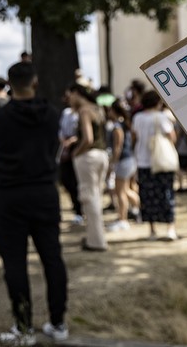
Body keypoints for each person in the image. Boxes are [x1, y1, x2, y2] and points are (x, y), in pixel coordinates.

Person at [0, 61, 68, 345]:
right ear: (35, 82)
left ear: (9, 84)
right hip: (44, 192)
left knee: (15, 262)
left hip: (10, 194)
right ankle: (58, 322)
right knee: (52, 258)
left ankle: (24, 327)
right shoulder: (51, 114)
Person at [68, 83, 109, 251]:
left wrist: (75, 152)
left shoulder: (84, 111)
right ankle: (96, 237)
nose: (68, 99)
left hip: (89, 156)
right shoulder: (98, 109)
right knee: (96, 197)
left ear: (76, 93)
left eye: (69, 95)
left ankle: (96, 241)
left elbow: (88, 138)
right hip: (102, 155)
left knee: (89, 198)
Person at [132, 91, 178, 240]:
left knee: (147, 196)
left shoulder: (137, 118)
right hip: (161, 161)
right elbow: (172, 136)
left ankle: (152, 230)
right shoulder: (162, 117)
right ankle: (170, 228)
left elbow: (134, 136)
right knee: (166, 193)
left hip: (143, 161)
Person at [106, 99, 140, 231]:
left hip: (123, 161)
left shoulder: (117, 127)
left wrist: (113, 164)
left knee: (120, 192)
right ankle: (136, 210)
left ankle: (123, 219)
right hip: (129, 160)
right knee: (126, 190)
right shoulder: (125, 124)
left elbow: (117, 147)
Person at [58, 89, 83, 225]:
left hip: (77, 147)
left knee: (76, 180)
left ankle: (80, 210)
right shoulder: (66, 113)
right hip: (65, 147)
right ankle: (76, 205)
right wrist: (63, 141)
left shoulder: (81, 113)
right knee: (67, 179)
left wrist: (72, 141)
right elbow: (61, 129)